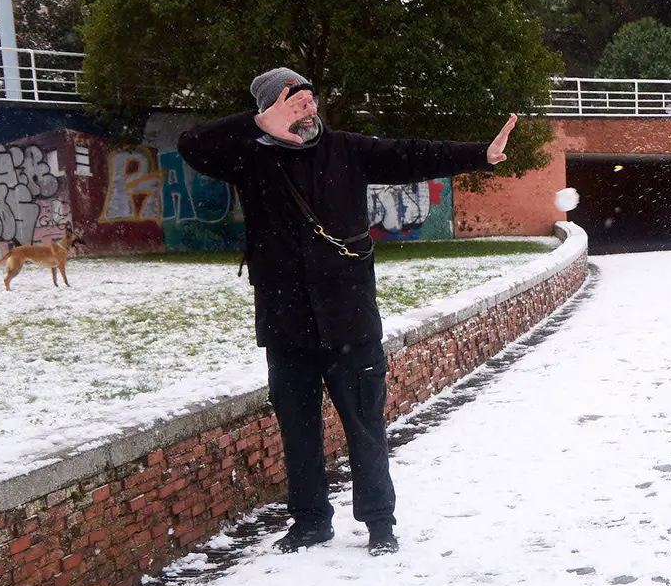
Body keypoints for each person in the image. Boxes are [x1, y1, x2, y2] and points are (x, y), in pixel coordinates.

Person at [178, 67, 516, 556]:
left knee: (365, 427)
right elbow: (193, 146)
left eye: (312, 102)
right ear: (270, 108)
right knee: (299, 432)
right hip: (285, 324)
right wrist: (257, 125)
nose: (310, 110)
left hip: (350, 320)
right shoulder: (247, 156)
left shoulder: (344, 150)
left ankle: (380, 523)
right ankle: (311, 521)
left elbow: (412, 155)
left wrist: (479, 156)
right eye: (296, 104)